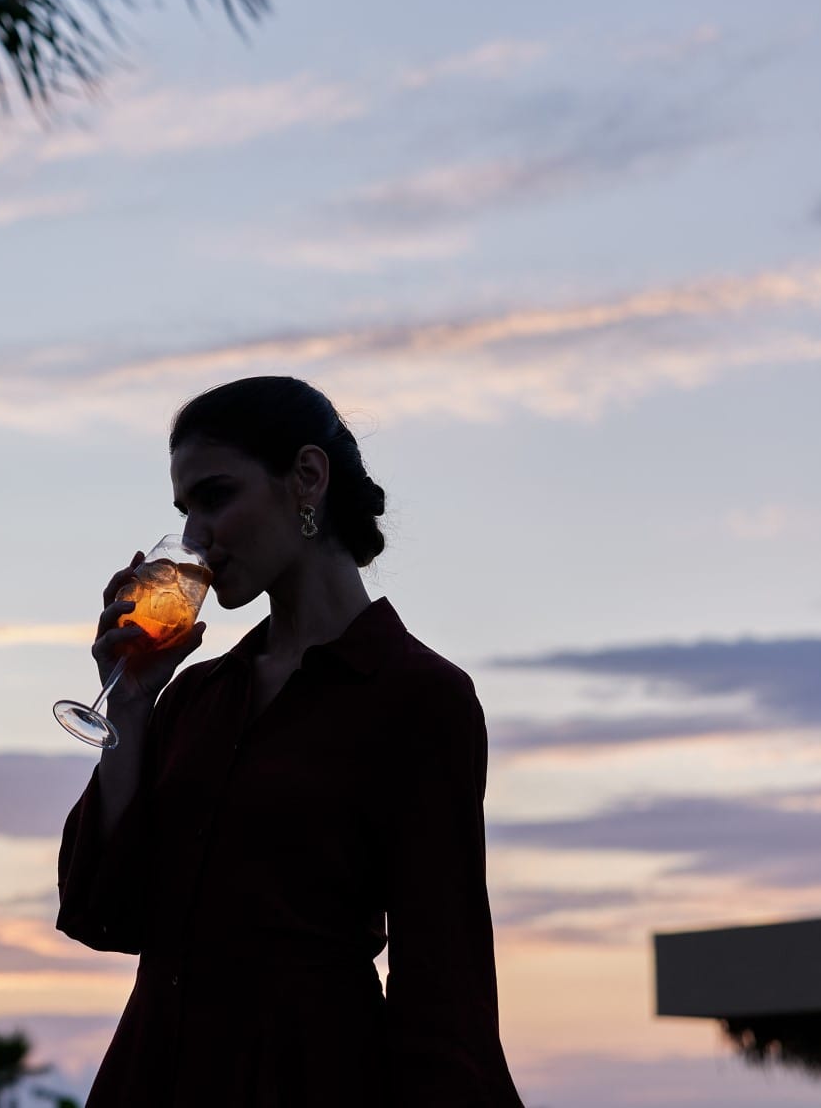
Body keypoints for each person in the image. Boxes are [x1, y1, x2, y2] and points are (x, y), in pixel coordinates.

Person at [56, 376, 523, 1106]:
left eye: (216, 497)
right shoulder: (197, 696)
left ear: (307, 477)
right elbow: (102, 911)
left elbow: (445, 979)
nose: (197, 536)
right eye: (184, 511)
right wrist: (135, 704)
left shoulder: (421, 696)